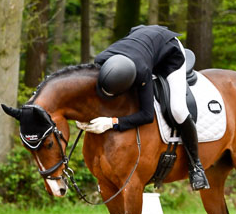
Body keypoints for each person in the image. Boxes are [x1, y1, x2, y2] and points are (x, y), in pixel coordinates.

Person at [81, 24, 209, 190]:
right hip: (139, 41)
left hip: (170, 52)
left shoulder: (142, 73)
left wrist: (112, 122)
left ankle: (196, 166)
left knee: (178, 110)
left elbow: (147, 115)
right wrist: (83, 117)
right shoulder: (101, 60)